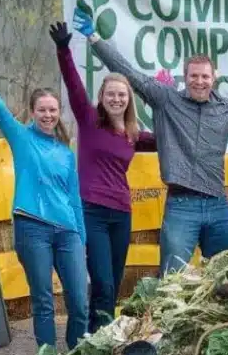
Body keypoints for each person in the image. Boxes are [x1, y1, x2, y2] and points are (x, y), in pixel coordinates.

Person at [72, 9, 228, 274]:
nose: (199, 81)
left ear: (214, 78)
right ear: (185, 78)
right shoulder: (166, 100)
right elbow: (127, 72)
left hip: (219, 205)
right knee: (171, 279)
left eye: (205, 76)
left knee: (226, 277)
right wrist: (94, 38)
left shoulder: (226, 109)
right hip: (181, 206)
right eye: (194, 76)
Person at [0, 43, 88, 352]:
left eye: (52, 110)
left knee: (79, 302)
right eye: (42, 109)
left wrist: (81, 240)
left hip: (67, 232)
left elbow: (75, 199)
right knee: (43, 299)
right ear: (33, 112)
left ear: (59, 114)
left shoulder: (65, 153)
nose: (47, 114)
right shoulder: (22, 138)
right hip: (33, 228)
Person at [49, 22, 156, 332]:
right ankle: (96, 338)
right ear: (102, 97)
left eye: (122, 95)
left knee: (114, 282)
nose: (117, 99)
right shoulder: (88, 120)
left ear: (129, 99)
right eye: (111, 94)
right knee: (103, 283)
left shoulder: (135, 135)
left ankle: (105, 339)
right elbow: (72, 85)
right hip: (92, 211)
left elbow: (171, 138)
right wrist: (63, 49)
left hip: (121, 214)